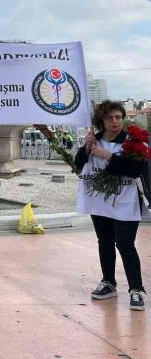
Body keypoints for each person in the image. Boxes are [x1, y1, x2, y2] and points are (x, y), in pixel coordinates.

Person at [75, 100, 149, 311]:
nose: (115, 121)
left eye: (118, 117)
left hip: (125, 199)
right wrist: (87, 149)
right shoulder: (94, 140)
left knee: (125, 244)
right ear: (102, 120)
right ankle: (108, 282)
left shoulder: (132, 141)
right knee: (105, 241)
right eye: (110, 118)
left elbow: (135, 170)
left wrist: (107, 156)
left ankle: (136, 289)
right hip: (99, 199)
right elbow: (78, 164)